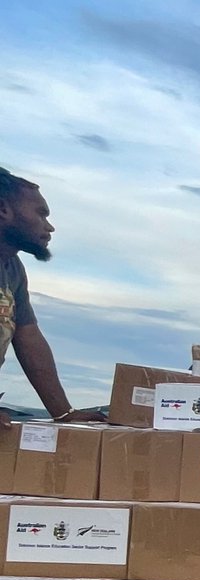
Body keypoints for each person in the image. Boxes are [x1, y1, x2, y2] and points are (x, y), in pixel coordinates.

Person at [0, 167, 105, 429]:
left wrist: (62, 413)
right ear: (3, 209)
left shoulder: (12, 269)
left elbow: (28, 336)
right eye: (41, 213)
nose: (49, 226)